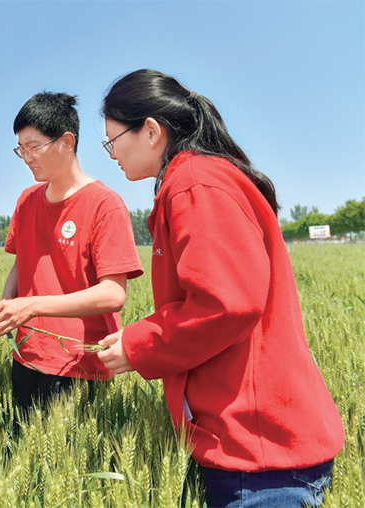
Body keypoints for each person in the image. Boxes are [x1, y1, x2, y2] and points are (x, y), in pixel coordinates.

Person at [96, 69, 344, 507]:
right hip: (259, 444)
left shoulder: (195, 184)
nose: (111, 155)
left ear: (151, 131)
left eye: (112, 141)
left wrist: (138, 346)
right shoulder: (200, 178)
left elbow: (225, 304)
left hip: (257, 454)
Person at [0, 92, 143, 412]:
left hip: (77, 363)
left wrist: (31, 306)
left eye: (34, 147)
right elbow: (22, 262)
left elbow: (113, 294)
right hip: (26, 353)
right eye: (21, 149)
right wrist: (5, 304)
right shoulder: (27, 201)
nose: (27, 157)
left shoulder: (104, 205)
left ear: (67, 142)